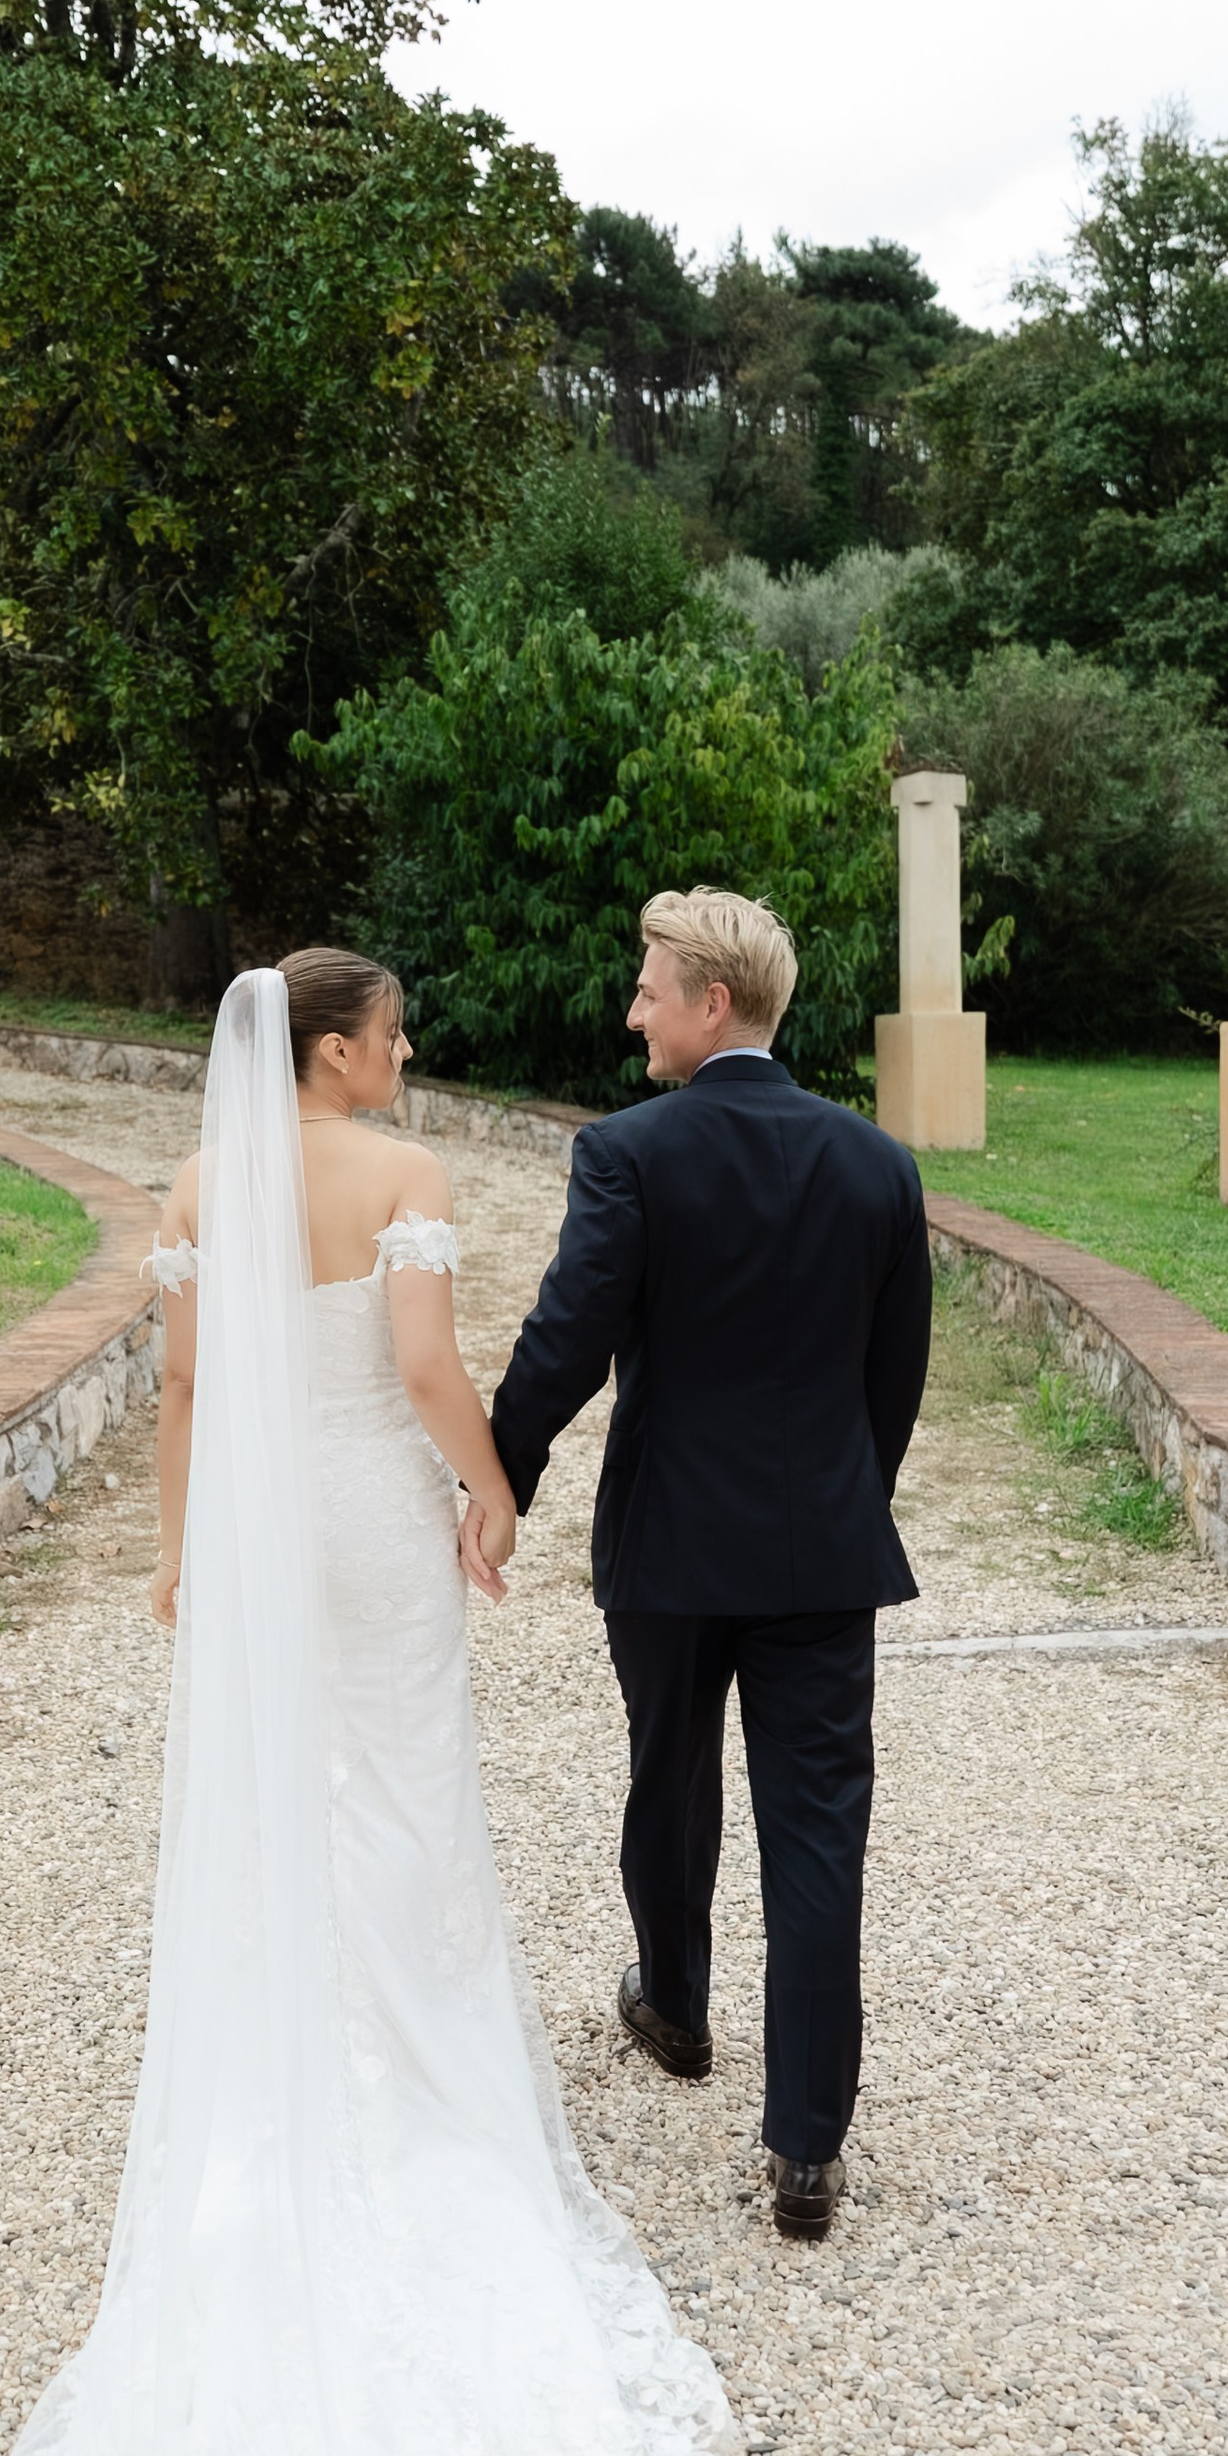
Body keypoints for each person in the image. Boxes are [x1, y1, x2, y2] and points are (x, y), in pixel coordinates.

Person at [0, 952, 732, 2456]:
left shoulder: (202, 1182)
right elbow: (420, 1365)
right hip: (376, 1526)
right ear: (332, 1051)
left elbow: (181, 1392)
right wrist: (490, 1484)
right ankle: (418, 2101)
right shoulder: (403, 1174)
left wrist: (178, 1552)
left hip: (259, 1527)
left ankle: (284, 2102)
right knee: (404, 1802)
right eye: (392, 1032)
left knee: (284, 1804)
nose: (408, 1051)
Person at [480, 889, 933, 2245]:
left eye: (649, 989)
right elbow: (893, 1382)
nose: (635, 1012)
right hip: (822, 1555)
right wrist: (841, 1503)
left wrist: (499, 1478)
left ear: (711, 1003)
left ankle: (675, 2007)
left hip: (669, 1548)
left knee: (668, 1777)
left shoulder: (629, 1152)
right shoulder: (878, 1166)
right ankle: (807, 2147)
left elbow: (567, 1337)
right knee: (818, 1832)